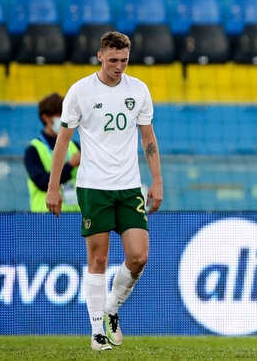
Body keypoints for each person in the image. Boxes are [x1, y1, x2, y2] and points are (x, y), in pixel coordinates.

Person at [46, 31, 163, 351]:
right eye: (113, 60)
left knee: (139, 257)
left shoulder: (138, 90)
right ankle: (97, 330)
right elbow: (63, 141)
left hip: (128, 186)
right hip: (93, 186)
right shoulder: (80, 91)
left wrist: (157, 181)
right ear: (100, 56)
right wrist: (53, 187)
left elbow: (148, 139)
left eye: (124, 61)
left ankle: (111, 308)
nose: (119, 67)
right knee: (98, 259)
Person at [25, 93, 81, 212]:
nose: (63, 118)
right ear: (46, 117)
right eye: (59, 114)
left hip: (75, 215)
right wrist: (70, 165)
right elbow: (42, 182)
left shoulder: (74, 146)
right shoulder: (34, 150)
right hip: (45, 217)